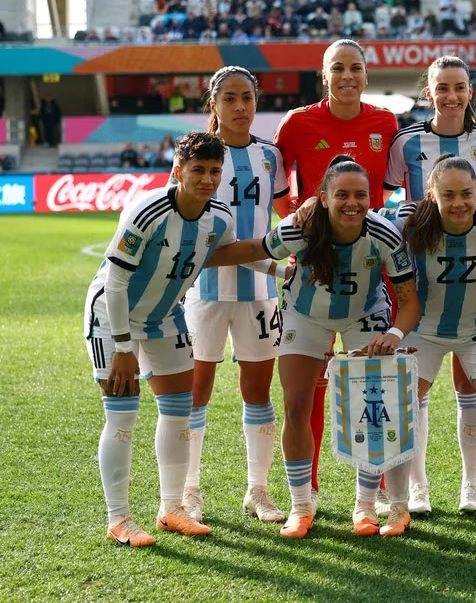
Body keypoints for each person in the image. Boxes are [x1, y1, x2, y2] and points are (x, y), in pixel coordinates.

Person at [207, 158, 421, 539]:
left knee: (372, 411)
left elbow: (410, 300)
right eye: (341, 194)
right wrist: (205, 256)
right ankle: (301, 506)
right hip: (306, 316)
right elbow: (262, 249)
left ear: (371, 198)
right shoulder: (300, 228)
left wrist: (394, 334)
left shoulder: (384, 234)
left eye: (359, 195)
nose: (351, 203)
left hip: (364, 316)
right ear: (323, 198)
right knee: (296, 405)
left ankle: (366, 506)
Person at [84, 132, 236, 547]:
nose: (207, 179)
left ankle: (171, 509)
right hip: (112, 316)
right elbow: (115, 283)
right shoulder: (147, 209)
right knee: (122, 417)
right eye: (198, 170)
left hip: (166, 316)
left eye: (215, 171)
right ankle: (119, 518)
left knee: (178, 411)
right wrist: (121, 348)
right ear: (177, 171)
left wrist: (280, 267)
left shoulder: (221, 216)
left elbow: (223, 254)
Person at [379, 155, 476, 533]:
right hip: (423, 331)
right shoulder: (410, 221)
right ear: (431, 195)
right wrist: (310, 209)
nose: (459, 202)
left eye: (466, 193)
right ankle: (398, 507)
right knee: (399, 416)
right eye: (448, 195)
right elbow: (365, 219)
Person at [274, 39, 399, 504]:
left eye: (356, 68)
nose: (347, 75)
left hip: (370, 266)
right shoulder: (298, 122)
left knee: (371, 382)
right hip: (313, 269)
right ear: (323, 76)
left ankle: (378, 487)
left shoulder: (385, 122)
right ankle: (307, 485)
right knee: (309, 384)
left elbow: (395, 187)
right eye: (338, 68)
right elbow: (275, 183)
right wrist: (298, 215)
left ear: (366, 75)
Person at [384, 56, 476, 513]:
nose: (451, 95)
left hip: (471, 267)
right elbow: (389, 197)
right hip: (420, 274)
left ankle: (471, 489)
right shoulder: (406, 140)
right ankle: (417, 489)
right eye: (442, 87)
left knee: (468, 383)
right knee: (417, 388)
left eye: (459, 87)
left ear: (470, 91)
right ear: (428, 92)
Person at [181, 66, 293, 525]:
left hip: (261, 294)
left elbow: (282, 214)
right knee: (194, 392)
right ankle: (187, 490)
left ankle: (258, 490)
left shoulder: (270, 157)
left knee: (258, 392)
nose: (240, 106)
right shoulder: (201, 154)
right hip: (205, 292)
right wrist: (271, 262)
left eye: (247, 97)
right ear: (214, 104)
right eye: (229, 98)